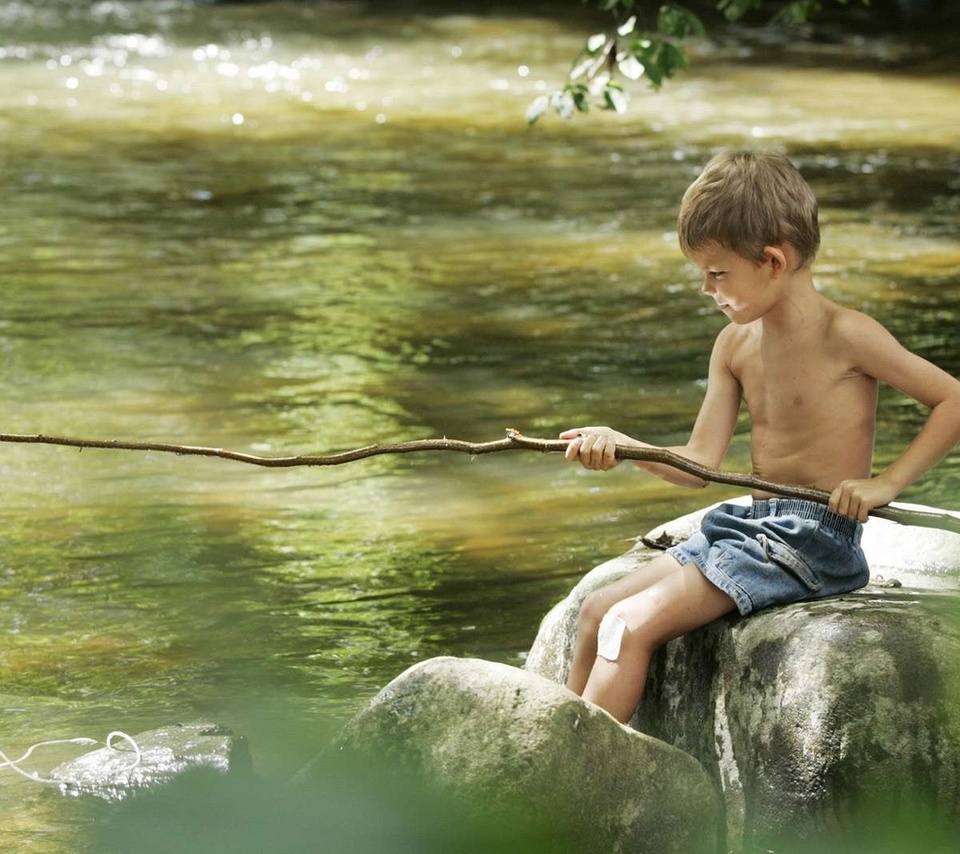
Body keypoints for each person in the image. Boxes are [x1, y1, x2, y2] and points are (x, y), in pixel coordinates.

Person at [560, 149, 960, 724]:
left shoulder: (848, 336)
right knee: (599, 610)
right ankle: (551, 751)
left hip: (813, 542)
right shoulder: (735, 347)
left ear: (772, 261)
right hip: (751, 529)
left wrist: (884, 484)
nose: (706, 288)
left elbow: (950, 400)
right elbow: (698, 463)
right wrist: (622, 446)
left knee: (628, 625)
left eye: (717, 272)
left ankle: (580, 776)